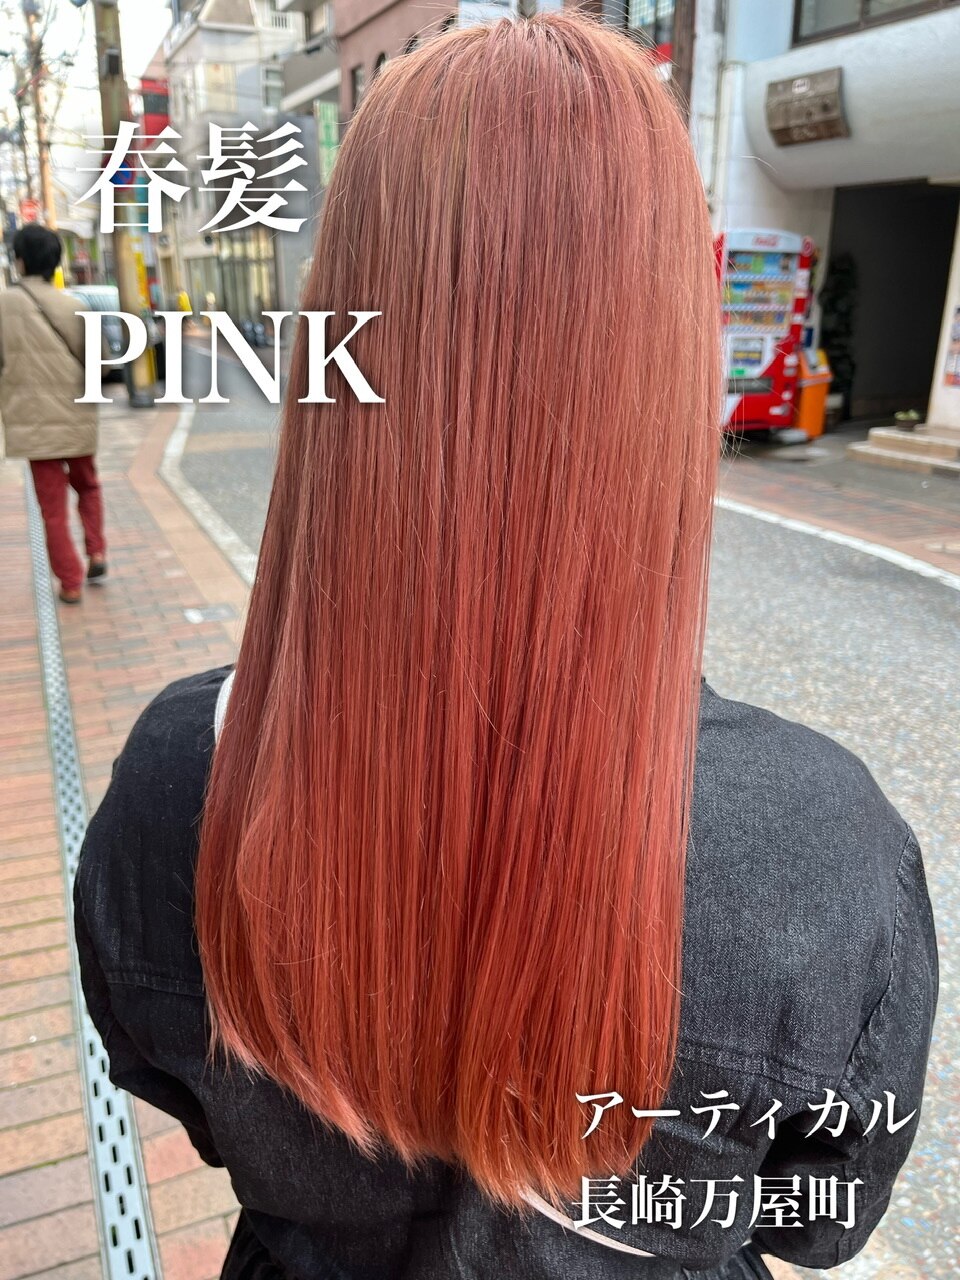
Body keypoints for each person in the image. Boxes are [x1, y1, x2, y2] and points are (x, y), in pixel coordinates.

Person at [74, 15, 937, 1280]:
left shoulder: (177, 773)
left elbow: (179, 1088)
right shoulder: (825, 842)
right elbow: (820, 1216)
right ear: (662, 355)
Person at [0, 224, 107, 604]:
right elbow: (102, 364)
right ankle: (97, 551)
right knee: (88, 485)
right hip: (77, 419)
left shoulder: (3, 306)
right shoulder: (74, 306)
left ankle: (71, 582)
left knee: (52, 508)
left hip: (33, 424)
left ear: (20, 261)